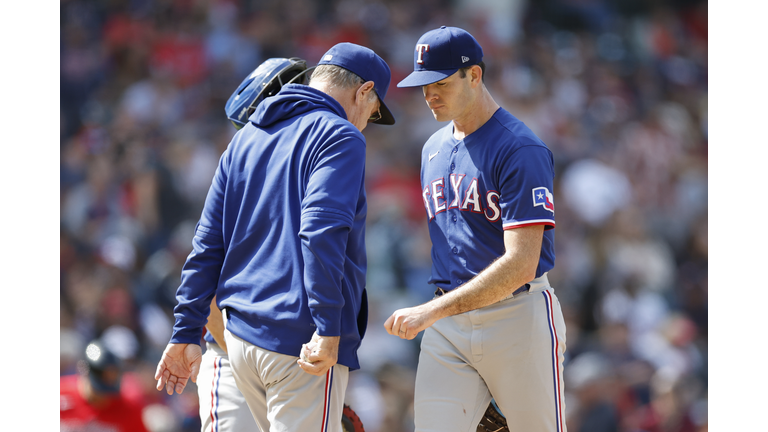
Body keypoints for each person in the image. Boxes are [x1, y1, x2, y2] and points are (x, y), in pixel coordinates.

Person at [155, 42, 395, 432]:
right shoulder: (340, 135)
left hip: (239, 339)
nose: (367, 120)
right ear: (364, 91)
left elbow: (206, 242)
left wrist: (185, 331)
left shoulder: (246, 136)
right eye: (373, 109)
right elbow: (320, 232)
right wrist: (327, 328)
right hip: (298, 342)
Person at [387, 26, 567, 432]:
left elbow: (522, 264)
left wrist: (433, 310)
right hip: (449, 324)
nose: (429, 93)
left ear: (475, 75)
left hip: (517, 318)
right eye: (423, 84)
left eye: (441, 82)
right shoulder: (431, 148)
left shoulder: (520, 148)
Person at [196, 57, 311, 432]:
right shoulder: (240, 185)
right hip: (232, 359)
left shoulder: (315, 181)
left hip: (293, 360)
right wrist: (256, 368)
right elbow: (205, 296)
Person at [61, 339, 150, 432]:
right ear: (85, 371)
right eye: (99, 390)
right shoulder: (61, 393)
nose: (105, 396)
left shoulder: (129, 409)